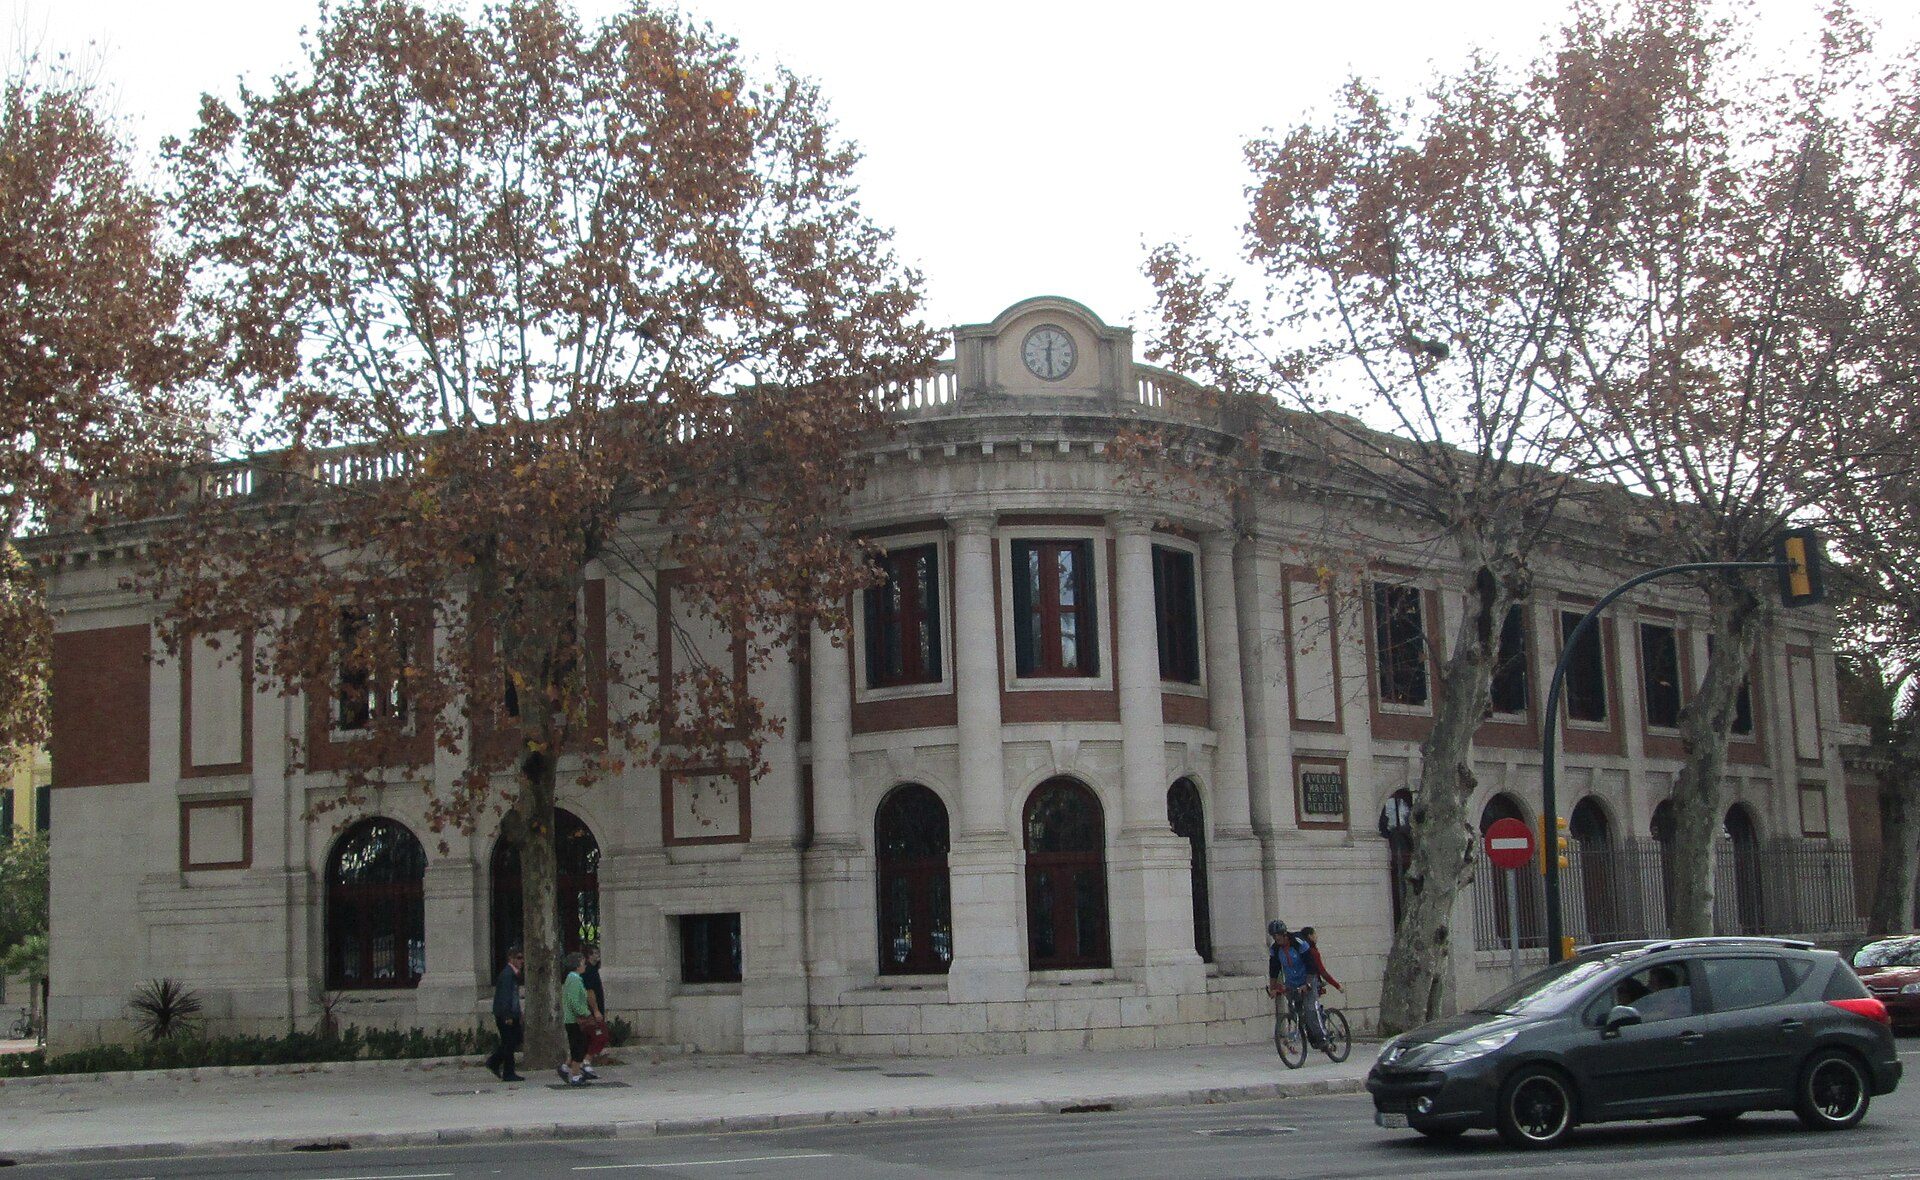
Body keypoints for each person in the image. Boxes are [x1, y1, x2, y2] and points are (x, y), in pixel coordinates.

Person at [1266, 920, 1325, 1050]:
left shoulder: (1298, 943)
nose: (1276, 939)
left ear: (1284, 933)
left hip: (1308, 978)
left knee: (1310, 1009)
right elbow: (1274, 969)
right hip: (1292, 982)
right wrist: (1273, 988)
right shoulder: (1275, 949)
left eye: (1278, 935)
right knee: (1295, 1011)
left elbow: (1311, 963)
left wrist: (1308, 984)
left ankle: (1323, 1037)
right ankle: (1306, 1035)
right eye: (1274, 936)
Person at [485, 946, 525, 1082]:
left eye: (522, 958)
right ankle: (506, 1070)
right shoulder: (508, 975)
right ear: (511, 959)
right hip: (506, 1015)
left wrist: (518, 1013)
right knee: (510, 1042)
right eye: (519, 958)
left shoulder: (512, 974)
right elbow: (505, 997)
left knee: (514, 1041)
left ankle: (495, 1063)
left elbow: (513, 997)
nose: (522, 961)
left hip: (511, 1013)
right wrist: (508, 1016)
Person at [558, 950, 592, 1085]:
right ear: (577, 965)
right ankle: (576, 1075)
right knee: (579, 1047)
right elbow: (574, 1001)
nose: (585, 966)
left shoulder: (575, 979)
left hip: (574, 1019)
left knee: (579, 1045)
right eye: (583, 963)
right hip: (575, 1020)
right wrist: (585, 1013)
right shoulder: (573, 980)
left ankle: (566, 1068)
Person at [580, 944, 607, 1079]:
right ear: (589, 956)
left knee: (588, 1039)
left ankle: (571, 1065)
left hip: (593, 1010)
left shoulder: (593, 970)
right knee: (600, 1037)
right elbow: (590, 992)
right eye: (595, 953)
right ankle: (586, 1062)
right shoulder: (589, 971)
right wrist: (596, 1011)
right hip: (592, 1011)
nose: (598, 955)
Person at [1299, 926, 1344, 1001]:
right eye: (1315, 934)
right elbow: (1322, 971)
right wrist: (1337, 986)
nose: (1316, 937)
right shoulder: (1313, 952)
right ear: (1310, 936)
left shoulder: (1299, 950)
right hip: (1311, 983)